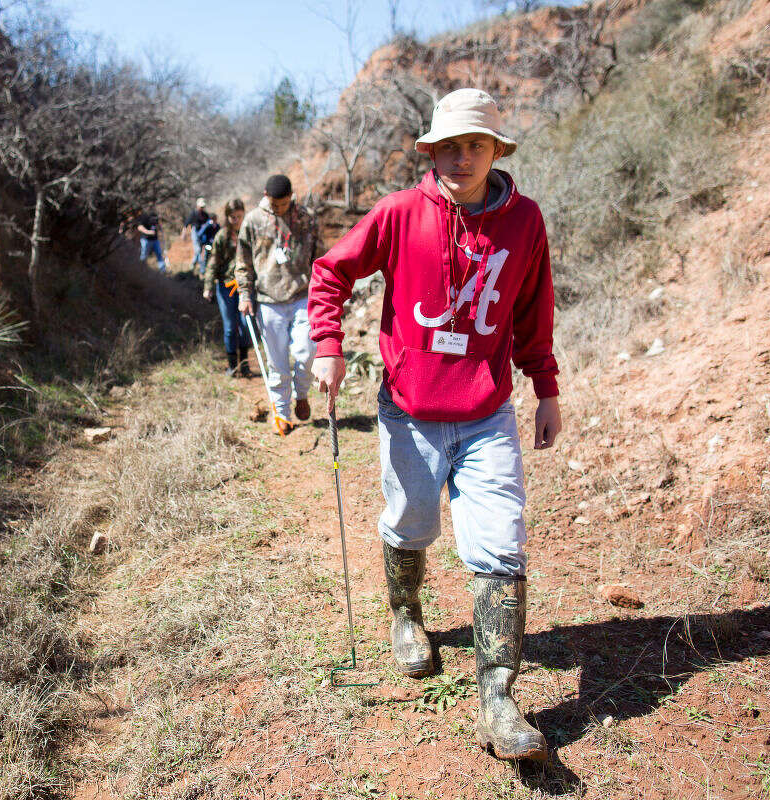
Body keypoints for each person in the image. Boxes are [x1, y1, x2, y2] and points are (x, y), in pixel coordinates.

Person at [308, 88, 562, 763]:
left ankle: (499, 698)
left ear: (495, 151)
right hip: (410, 412)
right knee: (410, 525)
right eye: (448, 145)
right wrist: (328, 345)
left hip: (485, 413)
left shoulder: (525, 220)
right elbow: (330, 272)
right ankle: (405, 615)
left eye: (474, 144)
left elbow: (535, 311)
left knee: (500, 543)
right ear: (431, 150)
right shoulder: (398, 214)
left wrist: (547, 388)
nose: (460, 156)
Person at [236, 174, 322, 436]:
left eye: (283, 204)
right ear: (266, 196)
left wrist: (323, 291)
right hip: (268, 299)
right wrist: (244, 294)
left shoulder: (305, 218)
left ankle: (302, 393)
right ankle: (282, 412)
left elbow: (319, 257)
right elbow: (243, 261)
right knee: (277, 361)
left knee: (307, 352)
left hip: (301, 294)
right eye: (275, 204)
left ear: (291, 197)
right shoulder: (252, 220)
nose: (279, 209)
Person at [203, 200, 251, 377]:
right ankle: (232, 366)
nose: (236, 220)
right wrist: (208, 286)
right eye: (232, 217)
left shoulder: (249, 232)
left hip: (245, 285)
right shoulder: (222, 236)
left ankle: (244, 364)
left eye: (239, 216)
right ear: (227, 217)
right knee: (230, 327)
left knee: (246, 326)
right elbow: (213, 261)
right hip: (226, 286)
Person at [183, 197, 211, 276]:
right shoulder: (193, 214)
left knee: (200, 252)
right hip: (195, 232)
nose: (202, 208)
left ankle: (193, 264)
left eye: (203, 207)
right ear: (197, 206)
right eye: (201, 207)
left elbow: (208, 225)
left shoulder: (205, 215)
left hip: (202, 234)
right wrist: (184, 233)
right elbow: (186, 223)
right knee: (198, 250)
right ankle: (202, 270)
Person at [136, 208, 166, 273]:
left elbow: (158, 226)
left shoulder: (155, 216)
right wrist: (148, 232)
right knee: (144, 254)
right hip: (146, 240)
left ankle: (163, 270)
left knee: (159, 254)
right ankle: (140, 269)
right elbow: (139, 227)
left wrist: (160, 229)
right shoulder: (144, 217)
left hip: (155, 240)